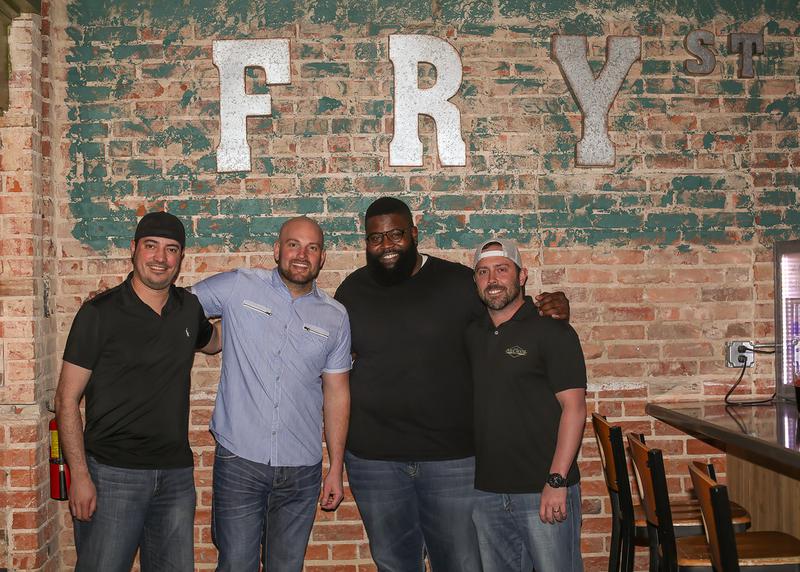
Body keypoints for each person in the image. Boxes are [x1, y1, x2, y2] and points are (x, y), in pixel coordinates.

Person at [334, 197, 570, 571]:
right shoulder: (351, 291)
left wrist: (551, 307)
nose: (386, 244)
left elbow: (507, 315)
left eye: (396, 234)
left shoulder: (458, 282)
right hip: (374, 460)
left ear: (414, 234)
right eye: (375, 238)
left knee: (460, 563)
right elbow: (336, 369)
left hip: (452, 459)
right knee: (393, 563)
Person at [55, 211, 221, 572]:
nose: (160, 258)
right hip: (112, 474)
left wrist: (256, 313)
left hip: (175, 476)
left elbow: (215, 341)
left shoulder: (188, 308)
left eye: (171, 249)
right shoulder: (99, 313)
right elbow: (65, 400)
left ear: (180, 257)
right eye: (151, 246)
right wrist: (79, 476)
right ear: (133, 249)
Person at [190, 216, 351, 571]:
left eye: (312, 248)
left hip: (301, 469)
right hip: (240, 460)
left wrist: (335, 467)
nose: (302, 255)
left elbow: (337, 394)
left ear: (322, 257)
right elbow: (177, 306)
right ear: (278, 250)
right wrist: (209, 338)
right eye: (293, 244)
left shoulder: (335, 317)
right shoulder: (239, 286)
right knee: (236, 565)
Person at [466, 238, 587, 572]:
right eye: (483, 272)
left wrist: (556, 481)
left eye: (502, 269)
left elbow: (575, 409)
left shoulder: (553, 332)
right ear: (475, 281)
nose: (492, 279)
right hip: (487, 493)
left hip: (543, 489)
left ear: (522, 276)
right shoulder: (472, 334)